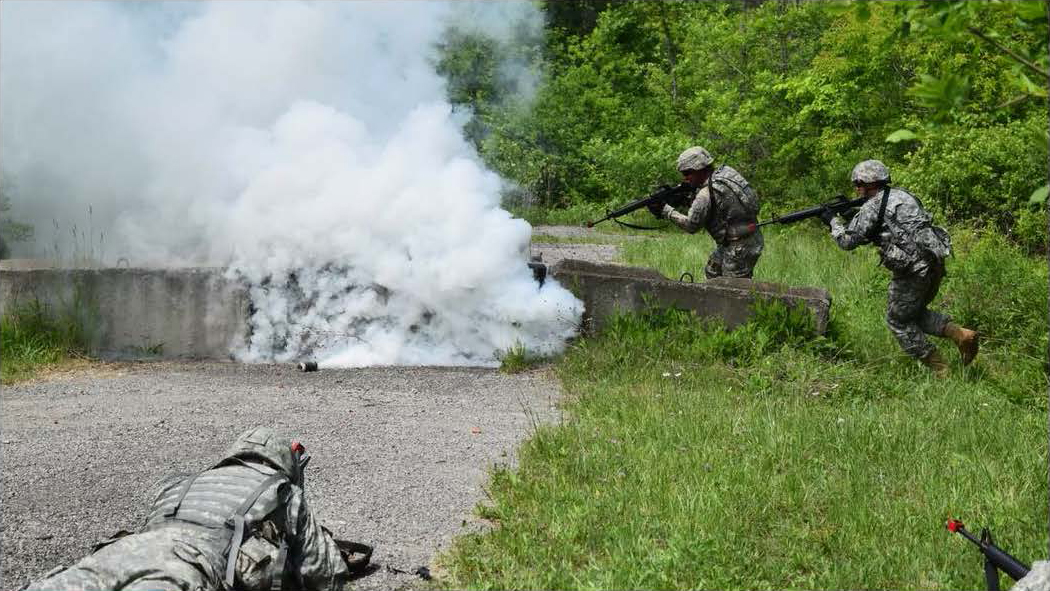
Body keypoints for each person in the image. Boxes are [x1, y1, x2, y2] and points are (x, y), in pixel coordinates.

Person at [22, 426, 365, 591]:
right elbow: (327, 575)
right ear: (283, 463)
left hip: (117, 554)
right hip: (187, 568)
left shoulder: (181, 482)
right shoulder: (283, 492)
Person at [821, 159, 978, 377]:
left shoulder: (872, 206)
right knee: (912, 314)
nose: (856, 189)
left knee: (897, 321)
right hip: (934, 264)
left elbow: (847, 242)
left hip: (913, 271)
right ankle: (961, 335)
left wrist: (832, 222)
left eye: (858, 184)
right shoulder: (904, 195)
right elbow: (889, 227)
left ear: (869, 183)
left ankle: (941, 370)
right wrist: (854, 216)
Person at [648, 146, 764, 279]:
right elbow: (720, 205)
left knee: (732, 289)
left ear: (699, 170)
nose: (685, 178)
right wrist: (688, 199)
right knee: (713, 271)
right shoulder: (726, 173)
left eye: (687, 173)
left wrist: (665, 210)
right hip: (747, 237)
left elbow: (692, 226)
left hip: (739, 247)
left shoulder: (705, 194)